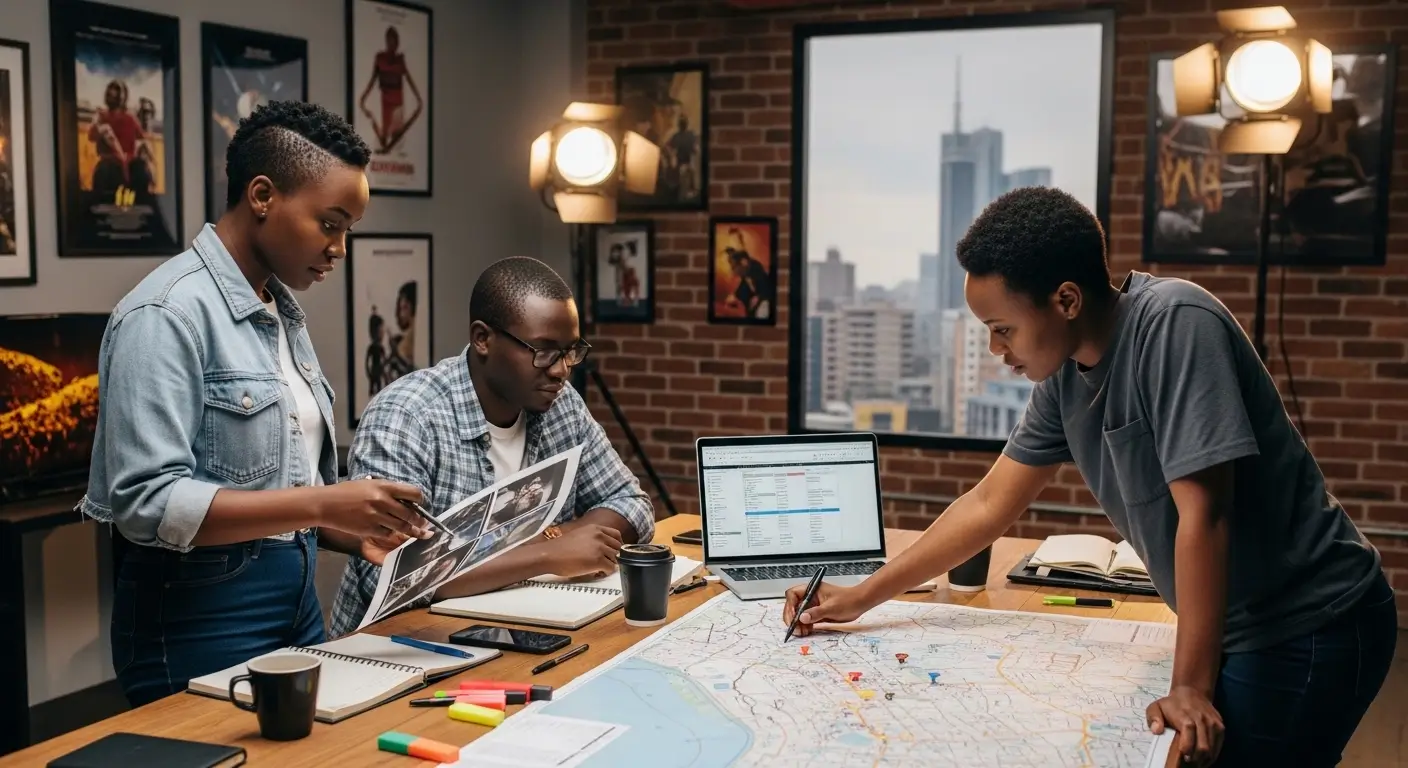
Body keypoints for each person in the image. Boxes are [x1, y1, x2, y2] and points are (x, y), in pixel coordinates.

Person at [782, 187, 1396, 768]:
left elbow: (1204, 514)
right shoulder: (1063, 377)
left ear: (1067, 301)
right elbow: (991, 502)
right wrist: (861, 596)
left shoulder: (1176, 323)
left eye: (1002, 329)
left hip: (1310, 622)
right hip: (1236, 625)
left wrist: (1188, 685)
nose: (995, 349)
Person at [80, 100, 431, 707]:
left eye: (348, 230)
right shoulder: (164, 314)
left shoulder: (280, 312)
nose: (340, 248)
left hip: (295, 604)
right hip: (197, 622)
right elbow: (146, 503)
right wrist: (325, 502)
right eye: (330, 223)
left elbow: (275, 486)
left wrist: (352, 531)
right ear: (263, 195)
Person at [328, 256, 656, 638]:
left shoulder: (561, 404)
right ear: (482, 339)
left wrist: (549, 538)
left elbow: (631, 503)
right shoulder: (407, 415)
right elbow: (392, 575)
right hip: (408, 651)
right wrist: (545, 554)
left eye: (570, 351)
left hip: (526, 638)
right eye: (544, 351)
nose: (561, 370)